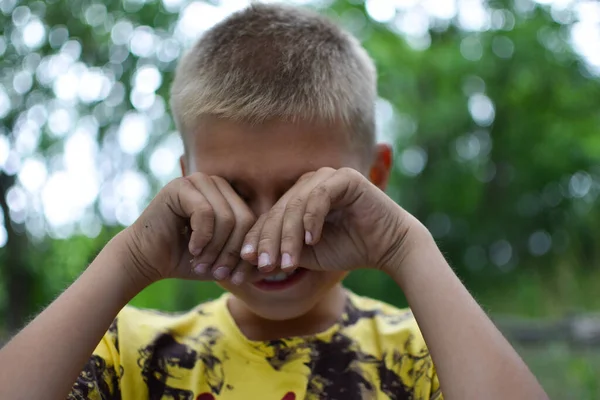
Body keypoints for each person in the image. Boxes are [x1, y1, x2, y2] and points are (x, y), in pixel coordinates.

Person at [0, 3, 547, 400]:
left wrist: (407, 246)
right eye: (231, 194)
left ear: (374, 180)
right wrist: (129, 259)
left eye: (306, 195)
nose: (269, 241)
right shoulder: (131, 356)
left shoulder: (432, 356)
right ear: (187, 185)